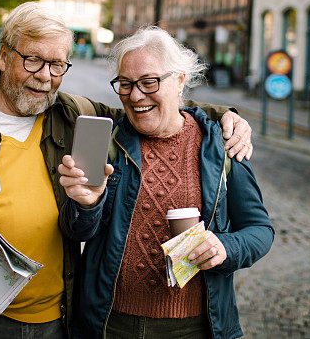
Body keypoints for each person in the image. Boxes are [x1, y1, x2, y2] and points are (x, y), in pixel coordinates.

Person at [0, 3, 253, 339]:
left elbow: (149, 110)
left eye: (57, 64)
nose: (46, 75)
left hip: (56, 321)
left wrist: (223, 117)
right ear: (3, 57)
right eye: (33, 59)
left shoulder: (75, 115)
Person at [58, 26, 273, 339]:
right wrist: (86, 205)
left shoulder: (222, 145)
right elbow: (77, 231)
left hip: (194, 327)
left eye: (149, 82)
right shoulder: (108, 142)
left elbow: (260, 230)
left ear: (180, 81)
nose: (135, 95)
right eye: (126, 84)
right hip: (110, 323)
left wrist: (224, 247)